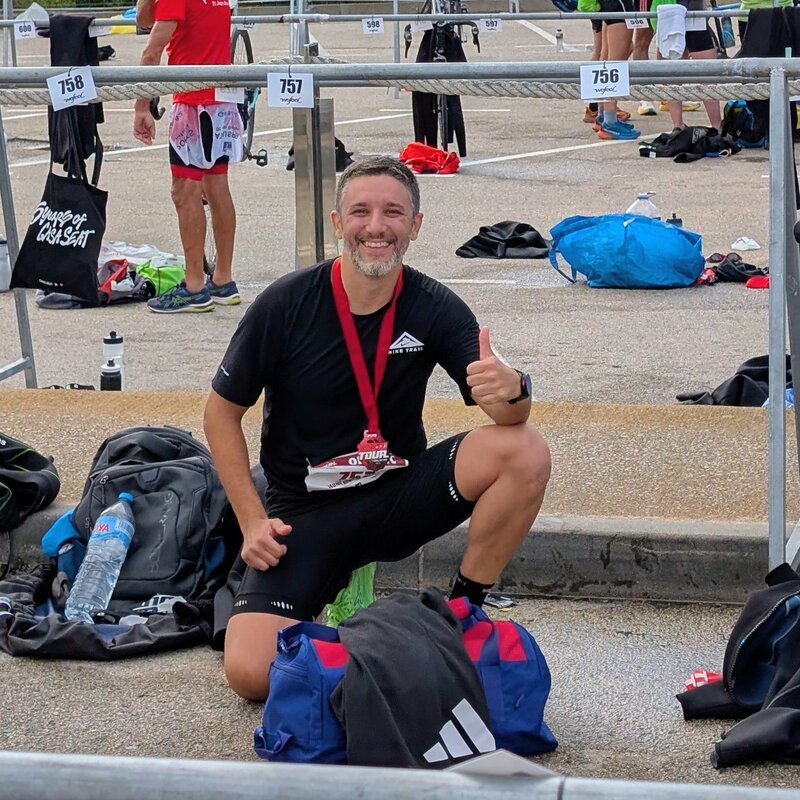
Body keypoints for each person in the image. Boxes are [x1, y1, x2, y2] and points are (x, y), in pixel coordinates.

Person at [204, 155, 551, 701]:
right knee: (250, 674)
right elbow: (220, 413)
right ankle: (367, 638)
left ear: (415, 225)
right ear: (338, 223)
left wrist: (514, 389)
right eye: (360, 212)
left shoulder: (434, 305)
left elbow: (510, 418)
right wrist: (252, 521)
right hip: (304, 514)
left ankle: (463, 613)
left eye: (393, 212)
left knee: (525, 450)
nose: (376, 226)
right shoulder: (286, 304)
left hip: (397, 497)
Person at [133, 0, 243, 314]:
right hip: (220, 101)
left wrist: (141, 107)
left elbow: (151, 51)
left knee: (184, 192)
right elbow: (144, 18)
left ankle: (194, 284)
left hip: (194, 105)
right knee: (217, 187)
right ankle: (223, 279)